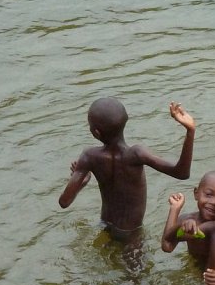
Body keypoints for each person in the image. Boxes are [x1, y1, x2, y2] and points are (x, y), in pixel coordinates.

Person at [59, 97, 195, 241]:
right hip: (131, 234)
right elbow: (182, 173)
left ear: (96, 133)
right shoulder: (136, 154)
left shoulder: (89, 157)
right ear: (126, 121)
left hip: (105, 226)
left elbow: (64, 202)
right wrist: (190, 131)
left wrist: (83, 182)